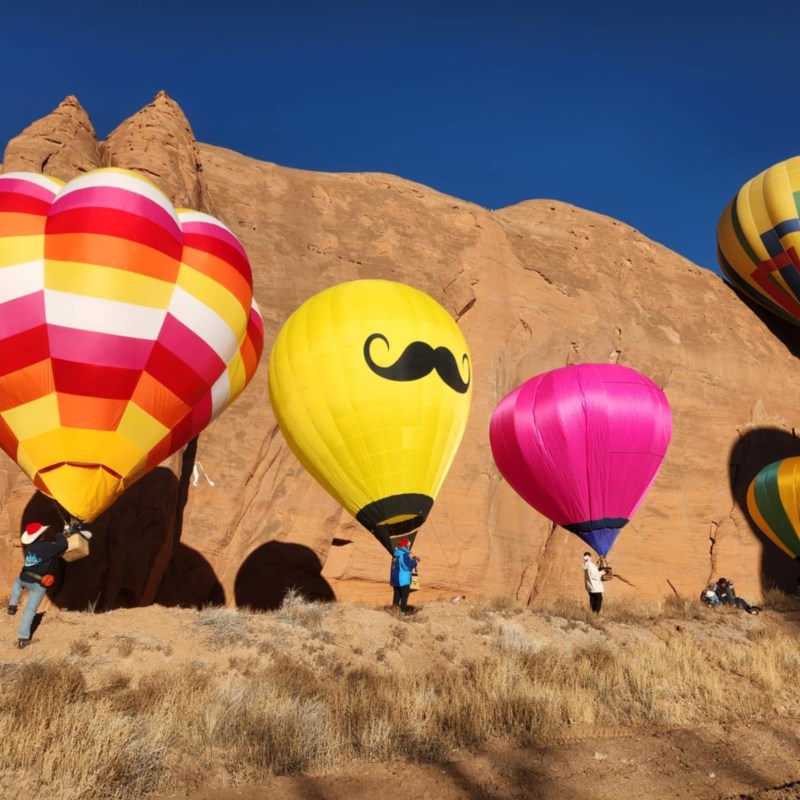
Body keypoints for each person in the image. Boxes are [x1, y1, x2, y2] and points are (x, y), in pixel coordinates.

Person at [7, 522, 68, 648]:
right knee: (30, 610)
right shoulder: (48, 547)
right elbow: (63, 545)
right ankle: (23, 638)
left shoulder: (29, 548)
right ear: (42, 535)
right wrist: (60, 535)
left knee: (17, 583)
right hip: (37, 584)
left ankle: (12, 606)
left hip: (24, 578)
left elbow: (44, 551)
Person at [390, 538, 419, 614]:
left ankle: (394, 611)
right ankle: (403, 611)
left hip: (395, 578)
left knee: (396, 596)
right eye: (408, 545)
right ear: (406, 546)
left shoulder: (396, 554)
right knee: (404, 595)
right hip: (403, 579)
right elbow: (407, 566)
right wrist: (415, 562)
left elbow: (400, 565)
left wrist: (411, 561)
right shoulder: (403, 554)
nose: (409, 546)